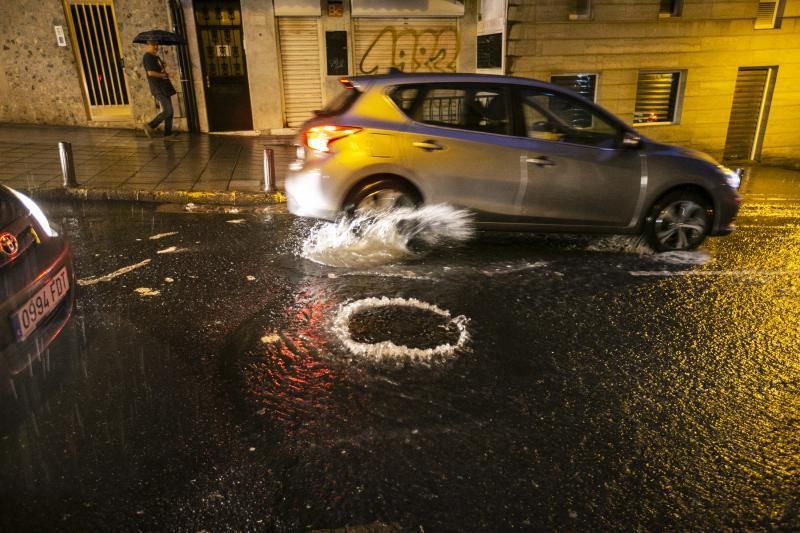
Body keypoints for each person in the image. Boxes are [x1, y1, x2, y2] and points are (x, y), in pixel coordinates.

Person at [142, 41, 178, 139]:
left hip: (164, 86)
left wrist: (163, 66)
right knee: (168, 110)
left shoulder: (156, 57)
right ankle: (151, 125)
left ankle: (168, 133)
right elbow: (150, 73)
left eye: (157, 45)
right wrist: (164, 75)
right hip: (158, 87)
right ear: (148, 45)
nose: (156, 47)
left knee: (170, 110)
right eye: (154, 45)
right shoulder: (147, 57)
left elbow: (159, 70)